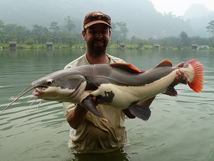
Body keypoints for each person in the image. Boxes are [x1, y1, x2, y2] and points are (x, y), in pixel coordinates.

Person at [63, 11, 188, 153]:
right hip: (83, 151)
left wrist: (164, 84)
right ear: (84, 35)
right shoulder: (71, 71)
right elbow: (73, 122)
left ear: (109, 34)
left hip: (118, 147)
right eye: (93, 31)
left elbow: (134, 110)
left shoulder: (120, 66)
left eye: (103, 31)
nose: (99, 36)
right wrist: (84, 103)